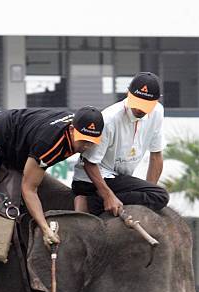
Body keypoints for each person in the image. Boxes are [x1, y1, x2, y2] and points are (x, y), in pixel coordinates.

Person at [0, 106, 104, 245]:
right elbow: (28, 189)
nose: (86, 146)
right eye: (83, 140)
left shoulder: (78, 126)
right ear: (71, 129)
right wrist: (45, 229)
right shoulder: (49, 143)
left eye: (91, 142)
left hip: (17, 146)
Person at [72, 72, 169, 217]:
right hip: (90, 180)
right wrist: (108, 196)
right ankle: (89, 202)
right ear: (127, 93)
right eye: (137, 102)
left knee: (155, 194)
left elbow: (156, 156)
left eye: (146, 105)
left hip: (118, 178)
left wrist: (148, 194)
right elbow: (89, 162)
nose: (140, 109)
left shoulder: (158, 112)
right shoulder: (110, 118)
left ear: (157, 101)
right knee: (161, 195)